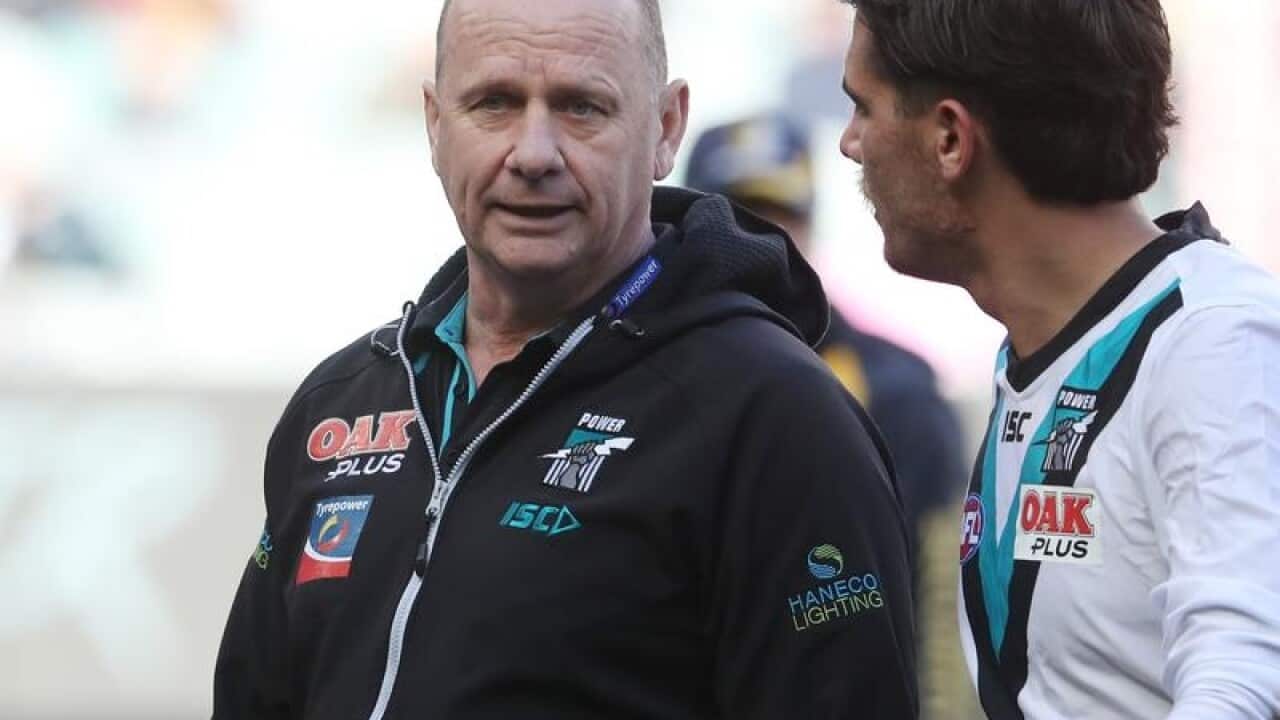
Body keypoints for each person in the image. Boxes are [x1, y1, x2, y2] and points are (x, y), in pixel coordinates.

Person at [213, 0, 919, 717]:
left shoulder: (775, 415)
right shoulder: (343, 402)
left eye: (582, 108)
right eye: (494, 103)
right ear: (434, 123)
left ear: (666, 129)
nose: (534, 154)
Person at [835, 1, 1280, 718]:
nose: (851, 144)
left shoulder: (1213, 340)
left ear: (950, 137)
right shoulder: (1044, 346)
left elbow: (1249, 682)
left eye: (863, 106)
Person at [684, 108, 966, 643]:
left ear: (809, 226)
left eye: (779, 216)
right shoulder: (631, 366)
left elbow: (936, 601)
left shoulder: (895, 388)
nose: (757, 240)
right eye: (735, 215)